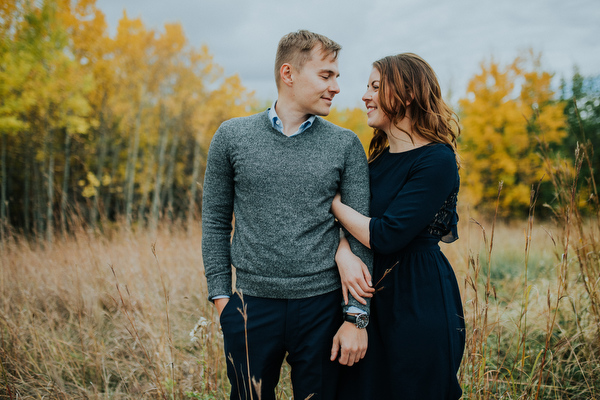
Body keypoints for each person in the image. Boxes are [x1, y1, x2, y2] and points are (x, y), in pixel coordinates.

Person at [201, 30, 373, 400]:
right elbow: (215, 221)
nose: (337, 87)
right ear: (288, 73)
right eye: (326, 75)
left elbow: (361, 235)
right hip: (249, 307)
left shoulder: (345, 144)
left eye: (337, 76)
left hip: (322, 309)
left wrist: (356, 317)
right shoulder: (232, 136)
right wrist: (221, 299)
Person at [332, 53, 465, 399]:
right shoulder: (373, 162)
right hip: (368, 297)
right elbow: (351, 228)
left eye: (376, 87)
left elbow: (387, 234)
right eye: (367, 86)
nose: (365, 96)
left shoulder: (437, 159)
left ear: (407, 95)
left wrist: (332, 203)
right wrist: (344, 253)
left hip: (418, 297)